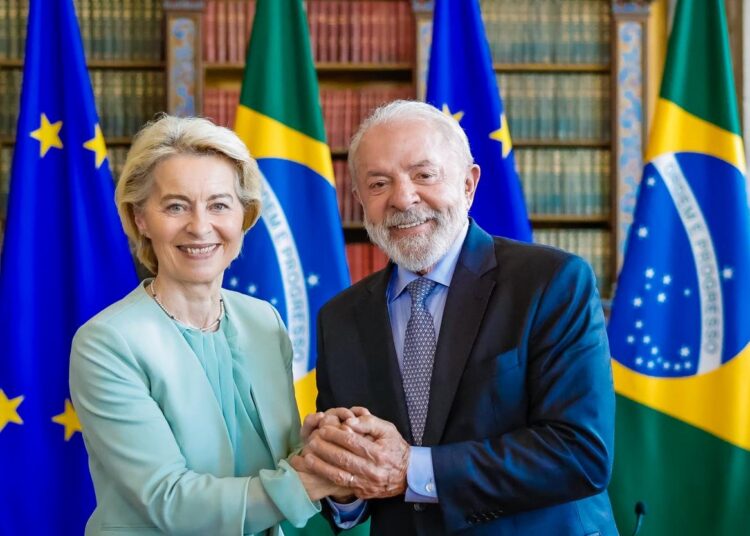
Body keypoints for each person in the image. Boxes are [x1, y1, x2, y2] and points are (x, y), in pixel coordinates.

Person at [294, 100, 617, 534]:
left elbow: (581, 454)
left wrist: (412, 469)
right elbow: (356, 497)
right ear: (360, 201)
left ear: (468, 184)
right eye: (378, 183)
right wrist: (340, 474)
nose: (402, 198)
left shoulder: (551, 282)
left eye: (424, 175)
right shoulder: (340, 318)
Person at [69, 115, 344, 536]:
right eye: (176, 206)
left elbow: (274, 464)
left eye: (219, 205)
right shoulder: (107, 343)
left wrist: (322, 448)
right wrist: (311, 480)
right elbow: (168, 501)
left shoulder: (263, 322)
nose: (200, 227)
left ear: (244, 215)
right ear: (140, 218)